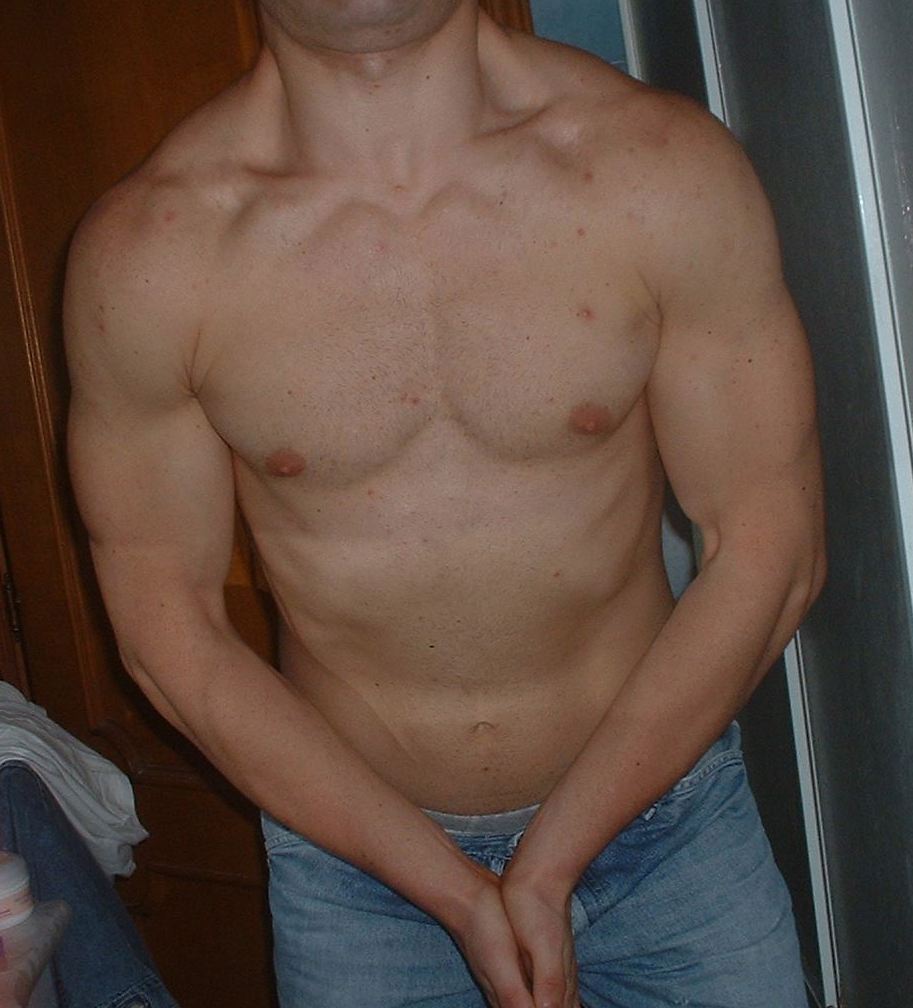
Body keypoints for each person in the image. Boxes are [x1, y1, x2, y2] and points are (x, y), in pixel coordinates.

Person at [64, 2, 826, 1006]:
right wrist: (455, 892)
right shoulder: (149, 253)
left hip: (674, 838)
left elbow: (770, 545)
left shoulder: (660, 171)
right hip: (358, 883)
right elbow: (169, 632)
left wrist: (550, 861)